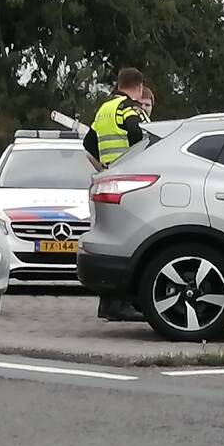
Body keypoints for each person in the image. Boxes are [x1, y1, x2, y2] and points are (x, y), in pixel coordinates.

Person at [86, 68, 148, 322]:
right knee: (132, 241)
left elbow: (88, 144)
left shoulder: (105, 109)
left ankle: (109, 303)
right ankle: (121, 304)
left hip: (110, 180)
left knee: (113, 241)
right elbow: (140, 134)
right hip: (131, 182)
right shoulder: (129, 108)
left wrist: (105, 167)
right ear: (140, 87)